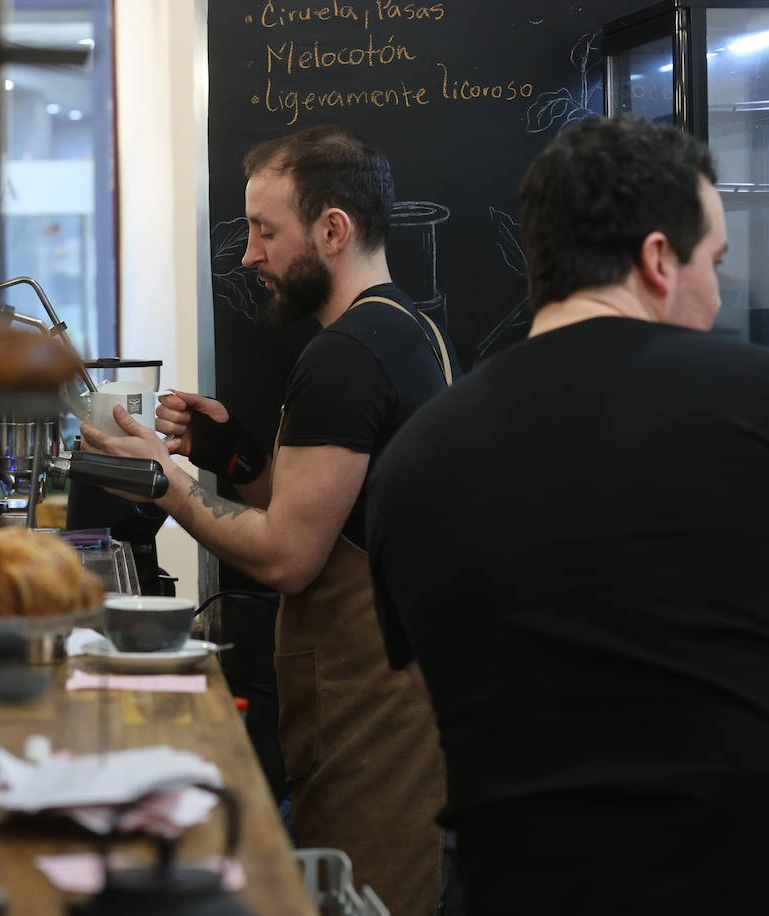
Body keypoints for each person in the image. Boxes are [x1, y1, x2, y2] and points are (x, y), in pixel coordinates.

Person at [364, 114, 769, 915]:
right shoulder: (763, 403)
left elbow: (439, 701)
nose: (720, 290)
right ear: (658, 260)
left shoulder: (413, 460)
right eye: (715, 262)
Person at [82, 124, 458, 916]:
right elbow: (325, 506)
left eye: (264, 230)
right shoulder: (405, 329)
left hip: (372, 708)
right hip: (391, 686)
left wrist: (169, 488)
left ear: (332, 230)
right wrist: (235, 456)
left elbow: (290, 556)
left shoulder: (347, 356)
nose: (249, 254)